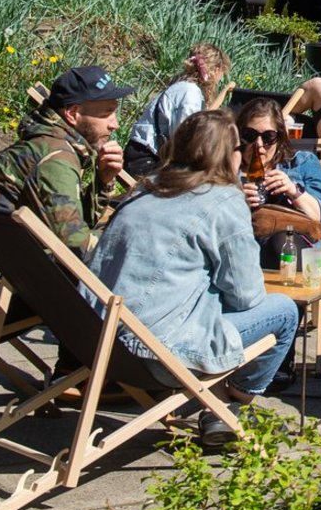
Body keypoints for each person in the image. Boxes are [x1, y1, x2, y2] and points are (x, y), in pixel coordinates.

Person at [87, 109, 300, 449]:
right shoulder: (222, 200)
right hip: (156, 353)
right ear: (228, 155)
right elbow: (247, 296)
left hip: (97, 342)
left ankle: (215, 406)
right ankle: (227, 409)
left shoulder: (143, 190)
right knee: (284, 312)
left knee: (205, 290)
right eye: (239, 147)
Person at [0, 65, 133, 332]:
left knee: (97, 259)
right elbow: (76, 247)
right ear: (73, 113)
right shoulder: (55, 158)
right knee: (100, 273)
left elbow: (76, 227)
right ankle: (75, 370)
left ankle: (78, 369)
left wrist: (103, 180)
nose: (115, 123)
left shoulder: (48, 145)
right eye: (106, 113)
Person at [236, 96, 321, 266]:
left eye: (268, 137)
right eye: (250, 136)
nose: (259, 144)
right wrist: (234, 199)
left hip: (289, 251)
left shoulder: (301, 163)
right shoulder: (227, 168)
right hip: (240, 250)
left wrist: (293, 191)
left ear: (280, 137)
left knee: (282, 242)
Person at [123, 43, 232, 177]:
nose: (220, 78)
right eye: (221, 73)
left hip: (145, 155)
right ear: (215, 70)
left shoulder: (184, 87)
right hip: (144, 159)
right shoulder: (190, 92)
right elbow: (186, 138)